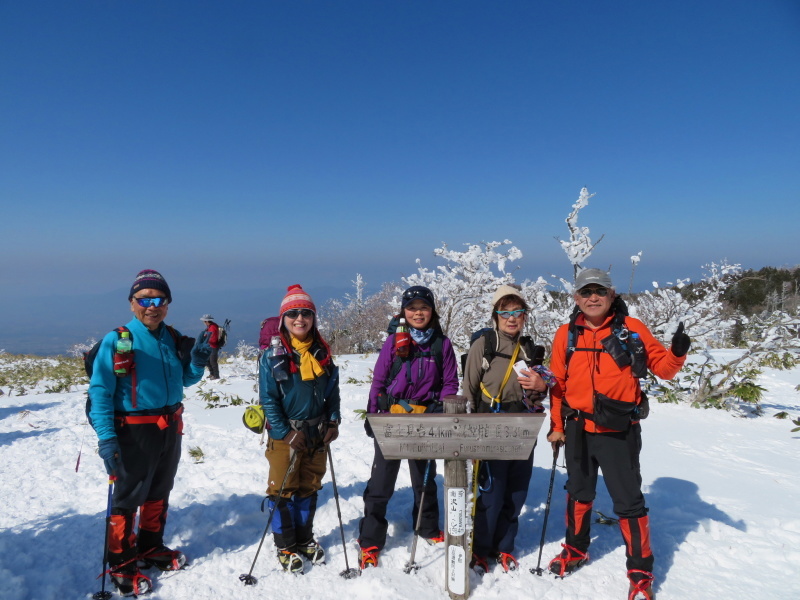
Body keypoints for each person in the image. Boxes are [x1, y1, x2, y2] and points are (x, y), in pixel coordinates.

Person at [546, 269, 690, 600]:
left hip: (618, 429)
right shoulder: (566, 334)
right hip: (577, 427)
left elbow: (663, 369)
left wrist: (677, 353)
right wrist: (556, 427)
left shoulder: (632, 329)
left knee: (628, 501)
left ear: (611, 295)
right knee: (579, 493)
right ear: (576, 298)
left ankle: (640, 570)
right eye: (585, 292)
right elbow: (558, 385)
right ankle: (575, 549)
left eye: (599, 291)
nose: (592, 298)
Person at [89, 269, 212, 596]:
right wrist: (106, 439)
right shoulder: (117, 340)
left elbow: (184, 381)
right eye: (144, 300)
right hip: (132, 432)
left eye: (158, 299)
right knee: (128, 496)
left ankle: (150, 546)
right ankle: (120, 561)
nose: (151, 306)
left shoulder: (170, 337)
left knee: (159, 489)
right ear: (132, 303)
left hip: (170, 427)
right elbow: (100, 392)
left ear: (167, 304)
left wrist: (198, 361)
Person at [357, 286, 459, 569]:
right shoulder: (394, 342)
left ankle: (426, 527)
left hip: (425, 417)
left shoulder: (442, 344)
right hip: (393, 415)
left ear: (432, 311)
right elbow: (379, 380)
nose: (418, 312)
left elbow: (450, 382)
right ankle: (370, 540)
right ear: (404, 312)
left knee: (425, 478)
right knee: (381, 482)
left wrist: (443, 407)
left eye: (423, 307)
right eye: (412, 308)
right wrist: (372, 414)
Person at [462, 284, 550, 573]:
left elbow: (538, 391)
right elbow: (468, 390)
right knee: (492, 490)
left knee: (517, 490)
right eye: (505, 313)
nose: (512, 319)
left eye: (518, 312)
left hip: (523, 424)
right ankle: (480, 550)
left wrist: (541, 387)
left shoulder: (529, 348)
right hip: (489, 423)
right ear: (495, 315)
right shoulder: (484, 345)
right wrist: (469, 434)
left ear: (525, 316)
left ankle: (505, 547)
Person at [258, 284, 341, 574]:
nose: (300, 318)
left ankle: (304, 539)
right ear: (283, 319)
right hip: (286, 437)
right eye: (293, 313)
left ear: (313, 318)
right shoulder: (272, 357)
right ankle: (285, 545)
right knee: (282, 490)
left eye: (306, 313)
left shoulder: (323, 354)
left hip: (316, 434)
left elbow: (332, 393)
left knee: (309, 488)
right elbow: (268, 399)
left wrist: (333, 420)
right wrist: (284, 432)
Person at [200, 314, 220, 379]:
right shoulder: (210, 327)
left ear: (207, 321)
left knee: (213, 362)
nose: (203, 322)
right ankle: (212, 374)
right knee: (207, 361)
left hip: (213, 347)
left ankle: (216, 376)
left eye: (204, 321)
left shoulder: (213, 327)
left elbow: (213, 339)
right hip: (209, 346)